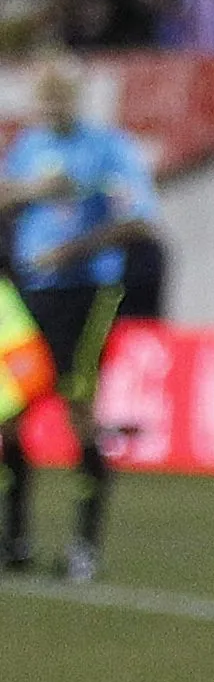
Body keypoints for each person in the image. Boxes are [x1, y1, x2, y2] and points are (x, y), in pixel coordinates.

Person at [1, 55, 161, 581]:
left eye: (59, 96)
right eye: (43, 98)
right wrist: (33, 192)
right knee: (9, 412)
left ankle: (83, 547)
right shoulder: (29, 147)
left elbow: (140, 220)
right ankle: (15, 541)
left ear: (77, 97)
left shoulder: (108, 149)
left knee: (78, 409)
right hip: (31, 296)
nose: (50, 106)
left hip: (88, 292)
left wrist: (72, 249)